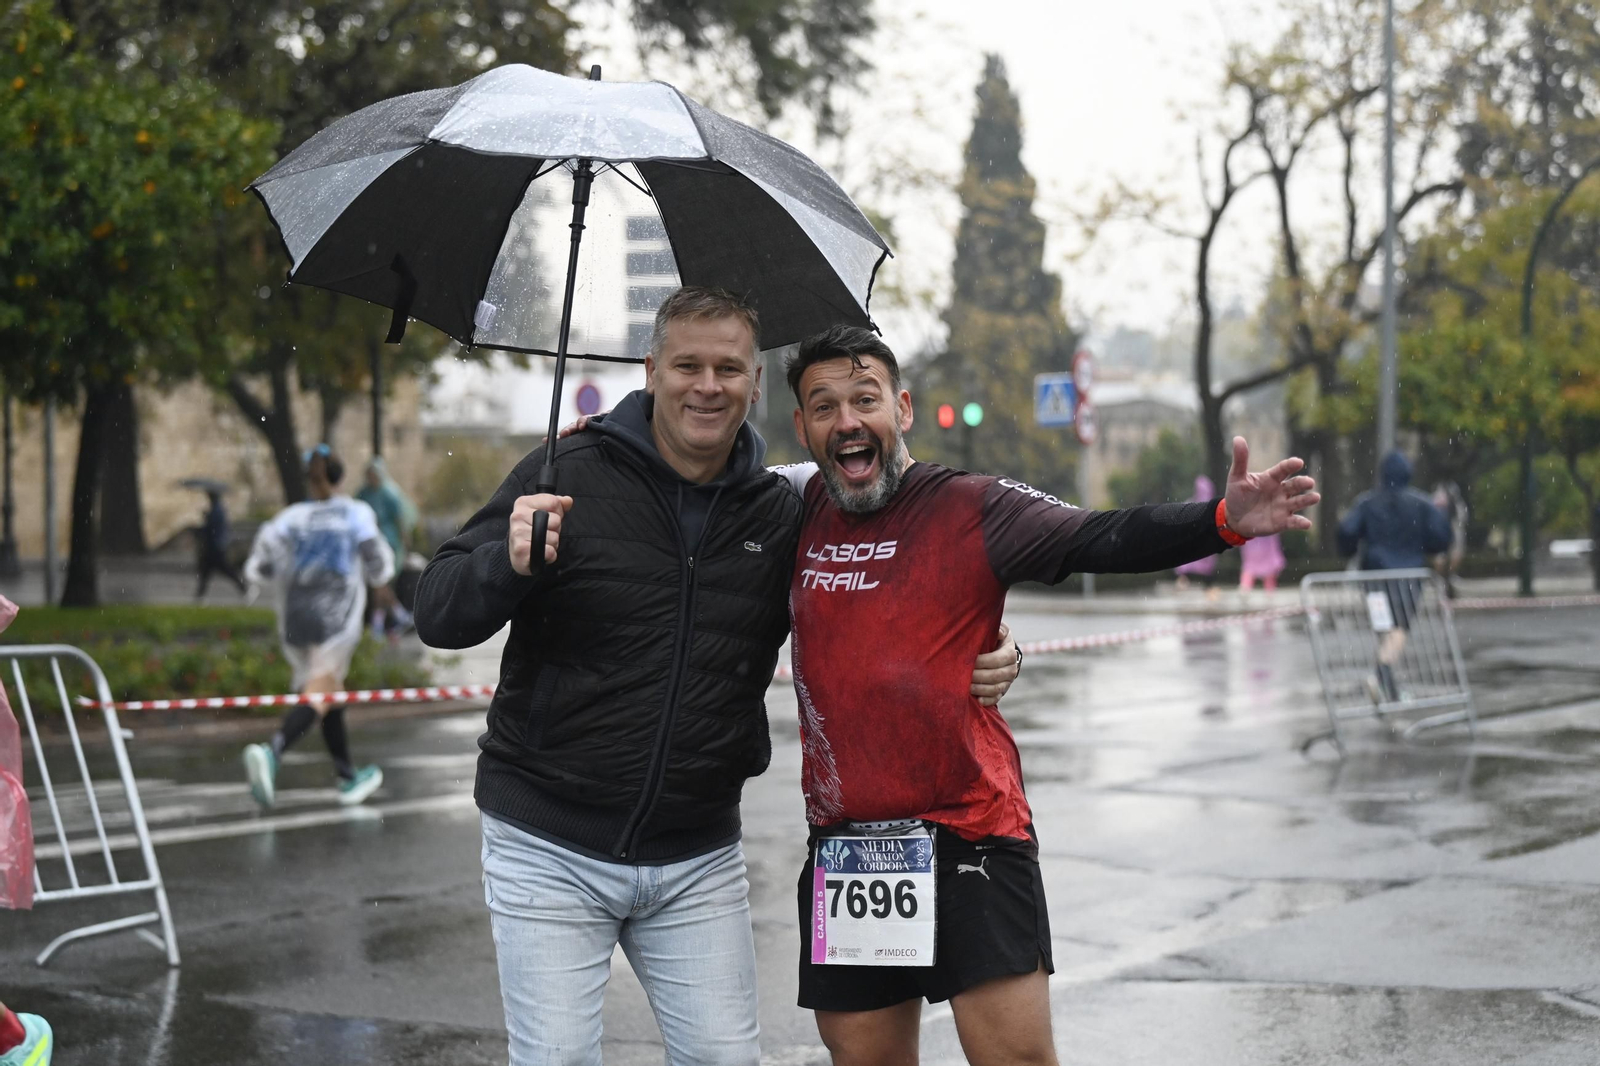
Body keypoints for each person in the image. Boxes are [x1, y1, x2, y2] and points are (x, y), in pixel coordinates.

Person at [412, 287, 1018, 1066]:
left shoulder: (778, 508)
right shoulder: (566, 474)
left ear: (754, 386)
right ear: (651, 370)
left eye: (728, 368)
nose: (708, 385)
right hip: (548, 843)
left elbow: (896, 577)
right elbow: (438, 611)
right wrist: (508, 563)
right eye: (687, 365)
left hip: (694, 856)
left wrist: (995, 644)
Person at [779, 326, 1318, 1066]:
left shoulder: (972, 506)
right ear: (801, 427)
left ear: (901, 409)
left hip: (969, 832)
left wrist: (1220, 523)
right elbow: (695, 457)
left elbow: (1100, 537)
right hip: (849, 852)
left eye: (864, 399)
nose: (847, 421)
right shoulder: (791, 505)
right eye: (824, 406)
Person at [240, 445, 393, 809]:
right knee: (321, 691)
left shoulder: (294, 516)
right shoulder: (355, 513)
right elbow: (376, 563)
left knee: (330, 690)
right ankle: (273, 751)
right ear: (340, 477)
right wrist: (378, 577)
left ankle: (346, 775)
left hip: (297, 614)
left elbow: (263, 562)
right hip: (335, 617)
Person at [1337, 450, 1452, 703]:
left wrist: (1351, 548)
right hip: (1407, 578)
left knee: (1384, 629)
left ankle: (1388, 687)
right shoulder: (1420, 504)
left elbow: (1347, 531)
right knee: (1399, 629)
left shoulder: (1367, 502)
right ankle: (1381, 677)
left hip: (1374, 577)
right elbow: (1440, 537)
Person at [356, 456, 417, 638]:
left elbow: (400, 520)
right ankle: (395, 615)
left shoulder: (389, 493)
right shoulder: (364, 494)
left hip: (390, 543)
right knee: (379, 581)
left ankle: (381, 623)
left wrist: (404, 543)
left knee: (381, 581)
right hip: (371, 542)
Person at [195, 490, 247, 598]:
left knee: (223, 569)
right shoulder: (218, 510)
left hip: (214, 547)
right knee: (206, 571)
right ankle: (199, 594)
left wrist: (206, 518)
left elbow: (211, 528)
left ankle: (242, 587)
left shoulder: (216, 511)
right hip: (215, 546)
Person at [1173, 475, 1220, 597]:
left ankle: (1185, 581)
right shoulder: (1212, 506)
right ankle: (1208, 589)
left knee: (1190, 564)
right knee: (1205, 568)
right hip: (1204, 544)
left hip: (1195, 544)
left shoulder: (1191, 504)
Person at [1430, 481, 1468, 598]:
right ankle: (1442, 581)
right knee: (1441, 560)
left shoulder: (1457, 506)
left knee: (1453, 557)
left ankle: (1447, 581)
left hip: (1452, 536)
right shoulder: (1436, 504)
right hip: (1442, 537)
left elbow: (1461, 519)